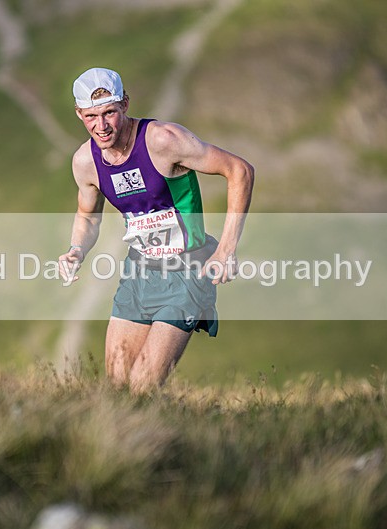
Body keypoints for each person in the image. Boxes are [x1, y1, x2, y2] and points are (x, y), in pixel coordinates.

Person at [58, 67, 254, 392]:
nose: (102, 126)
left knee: (142, 387)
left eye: (109, 113)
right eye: (91, 116)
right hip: (138, 271)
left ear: (125, 104)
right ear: (79, 114)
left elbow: (239, 171)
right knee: (117, 389)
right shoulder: (85, 162)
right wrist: (77, 249)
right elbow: (88, 216)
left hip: (187, 270)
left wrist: (227, 249)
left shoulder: (163, 140)